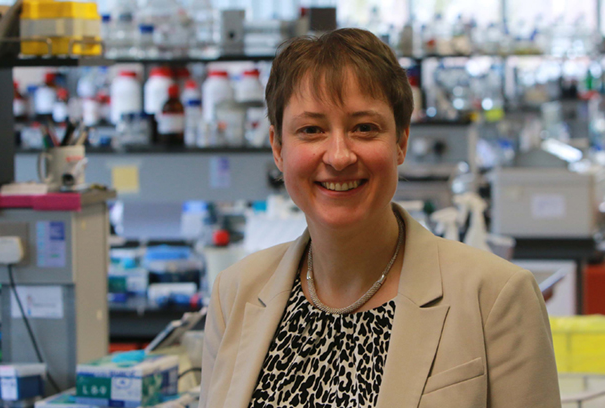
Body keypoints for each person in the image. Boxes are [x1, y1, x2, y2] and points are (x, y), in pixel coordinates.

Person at [199, 28, 561, 408]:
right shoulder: (235, 293)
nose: (339, 156)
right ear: (278, 147)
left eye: (364, 128)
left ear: (400, 142)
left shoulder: (496, 296)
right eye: (311, 130)